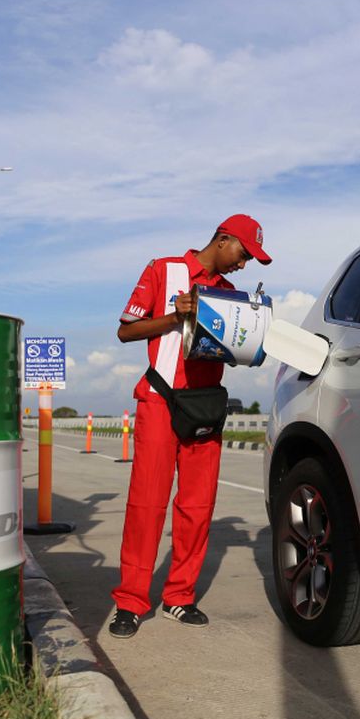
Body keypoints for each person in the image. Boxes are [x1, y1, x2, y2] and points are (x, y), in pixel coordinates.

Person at [108, 214, 271, 638]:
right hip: (161, 400)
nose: (243, 264)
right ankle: (130, 601)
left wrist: (254, 337)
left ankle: (179, 597)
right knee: (147, 504)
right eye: (243, 253)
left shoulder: (232, 296)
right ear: (223, 239)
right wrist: (175, 316)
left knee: (197, 508)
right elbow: (126, 332)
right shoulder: (165, 270)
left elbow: (236, 350)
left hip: (204, 408)